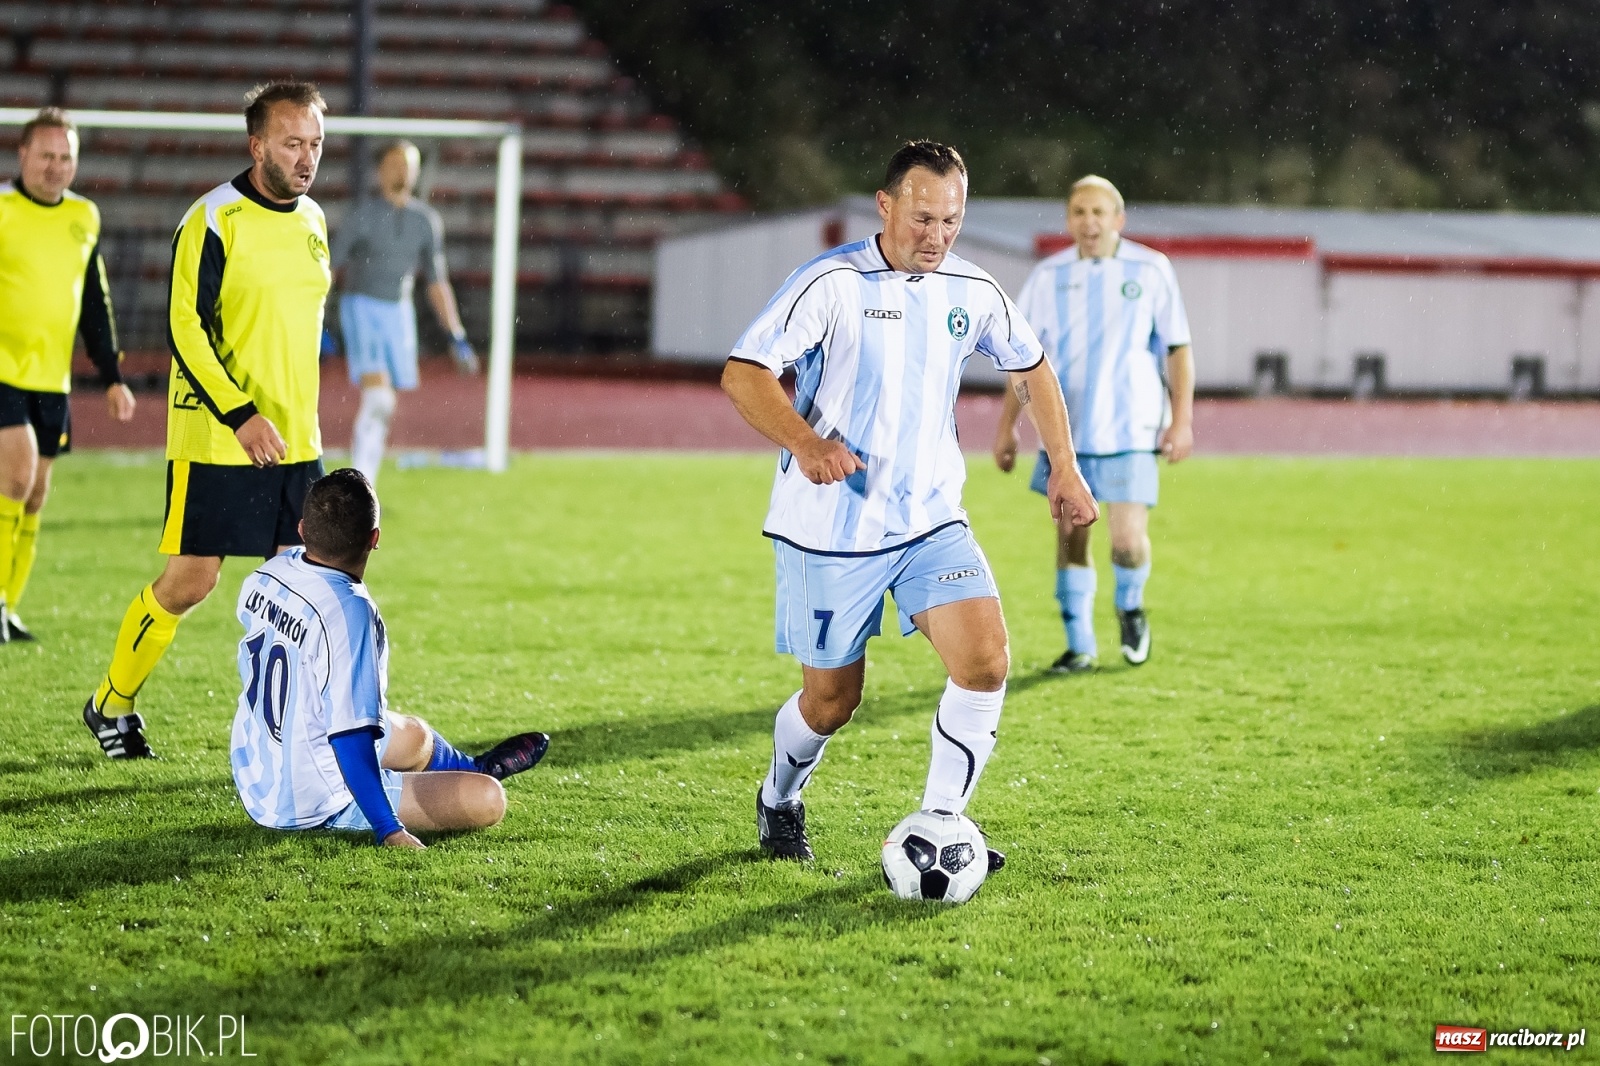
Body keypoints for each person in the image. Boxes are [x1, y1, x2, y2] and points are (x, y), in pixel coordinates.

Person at [721, 141, 1099, 863]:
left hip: (930, 522)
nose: (937, 237)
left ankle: (940, 823)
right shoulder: (829, 283)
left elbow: (1033, 367)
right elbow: (744, 375)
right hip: (830, 529)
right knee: (832, 704)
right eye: (923, 218)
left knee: (986, 663)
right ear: (886, 205)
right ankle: (779, 797)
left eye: (951, 222)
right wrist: (807, 443)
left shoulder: (972, 289)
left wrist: (1065, 469)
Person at [83, 82, 335, 759]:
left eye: (315, 142)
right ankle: (111, 702)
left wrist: (294, 418)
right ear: (257, 146)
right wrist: (242, 413)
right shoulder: (212, 219)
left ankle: (287, 738)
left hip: (296, 441)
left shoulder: (314, 220)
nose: (307, 156)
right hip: (221, 437)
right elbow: (184, 329)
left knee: (300, 586)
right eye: (292, 142)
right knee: (193, 580)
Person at [230, 467, 549, 847]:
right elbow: (350, 738)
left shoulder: (269, 572)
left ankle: (473, 766)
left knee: (414, 733)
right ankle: (480, 776)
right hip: (310, 799)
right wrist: (389, 828)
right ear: (374, 539)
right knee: (488, 798)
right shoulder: (350, 613)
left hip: (256, 764)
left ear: (302, 530)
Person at [993, 175, 1194, 673]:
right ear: (1068, 220)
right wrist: (1008, 427)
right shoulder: (1048, 277)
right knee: (1071, 539)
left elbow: (1178, 349)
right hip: (1066, 435)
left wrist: (1182, 421)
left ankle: (1130, 608)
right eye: (1079, 212)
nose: (1089, 222)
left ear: (1118, 220)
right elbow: (1022, 363)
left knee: (1126, 540)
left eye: (1099, 212)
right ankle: (1080, 644)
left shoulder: (1150, 269)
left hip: (1133, 427)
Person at [0, 107, 135, 643]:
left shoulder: (84, 217)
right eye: (46, 155)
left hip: (50, 377)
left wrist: (111, 374)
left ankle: (8, 605)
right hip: (3, 370)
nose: (56, 166)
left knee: (34, 494)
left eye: (66, 157)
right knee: (15, 474)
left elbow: (94, 303)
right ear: (22, 155)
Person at [331, 139, 478, 486]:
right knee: (379, 396)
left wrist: (455, 335)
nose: (402, 171)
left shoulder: (425, 221)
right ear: (381, 170)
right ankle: (361, 485)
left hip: (398, 312)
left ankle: (365, 481)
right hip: (361, 306)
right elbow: (330, 267)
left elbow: (437, 282)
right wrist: (320, 319)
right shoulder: (361, 217)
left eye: (409, 165)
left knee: (385, 403)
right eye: (395, 164)